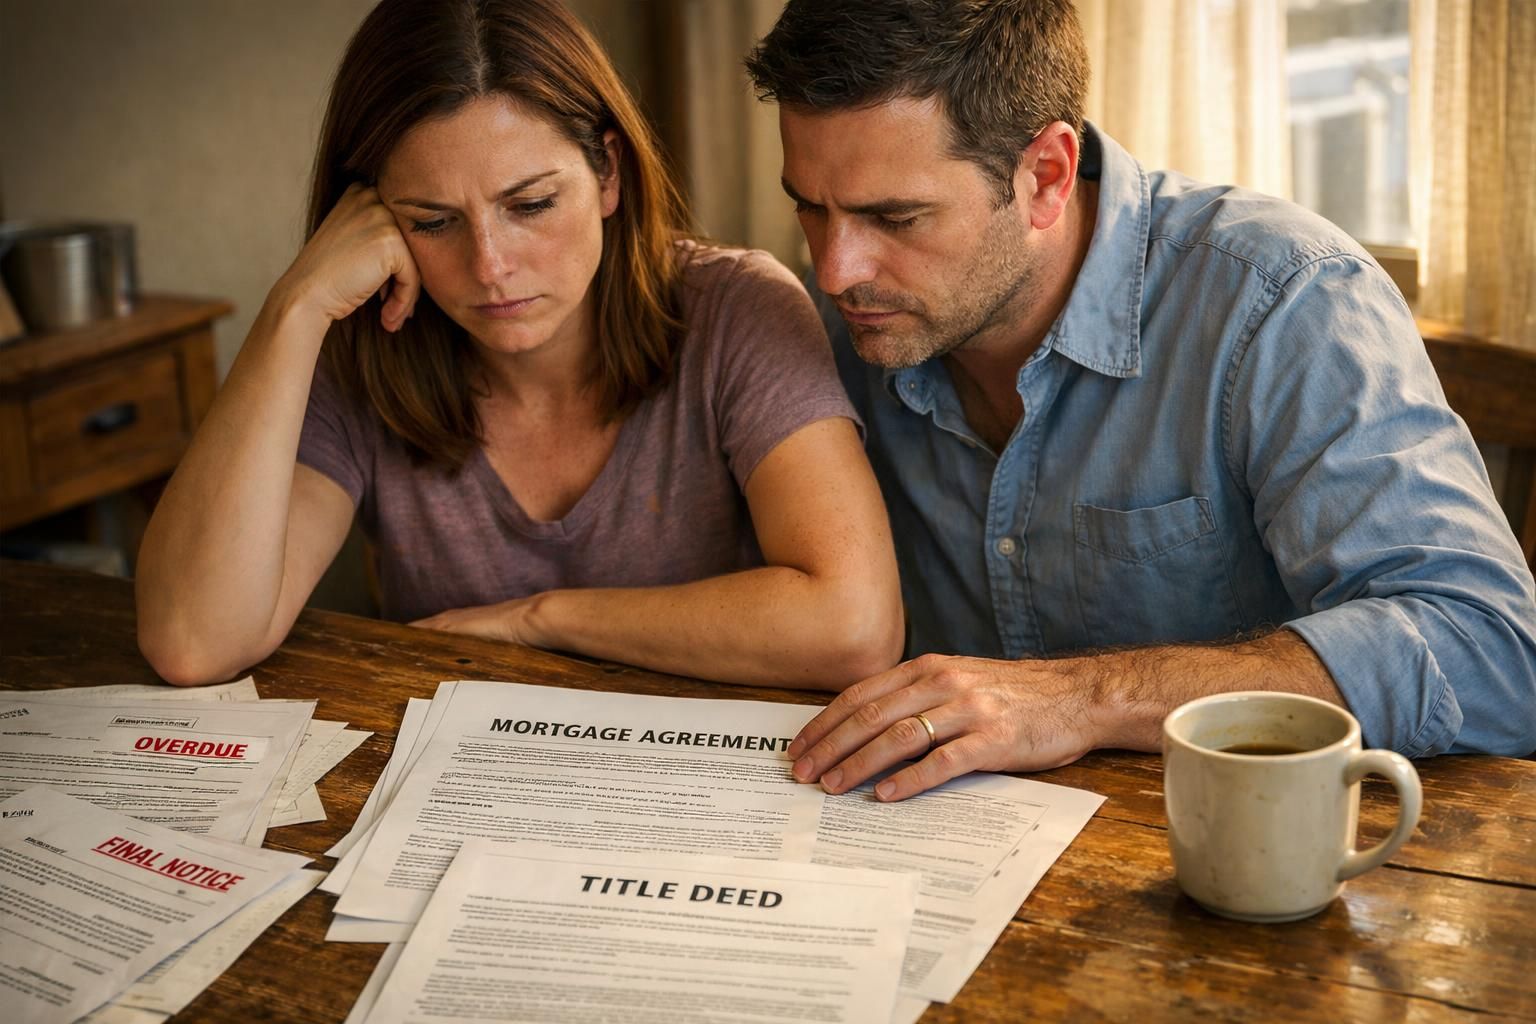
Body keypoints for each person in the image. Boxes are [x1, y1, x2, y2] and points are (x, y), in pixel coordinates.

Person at [744, 0, 1536, 801]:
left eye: (894, 217)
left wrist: (1087, 697)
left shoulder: (1282, 301)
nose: (836, 268)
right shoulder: (828, 327)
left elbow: (1491, 652)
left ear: (1046, 175)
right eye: (809, 206)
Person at [136, 0, 903, 690]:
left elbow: (853, 626)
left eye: (530, 204)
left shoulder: (737, 309)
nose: (490, 267)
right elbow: (195, 643)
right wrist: (294, 308)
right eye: (433, 221)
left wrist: (537, 619)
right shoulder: (361, 347)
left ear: (607, 172)